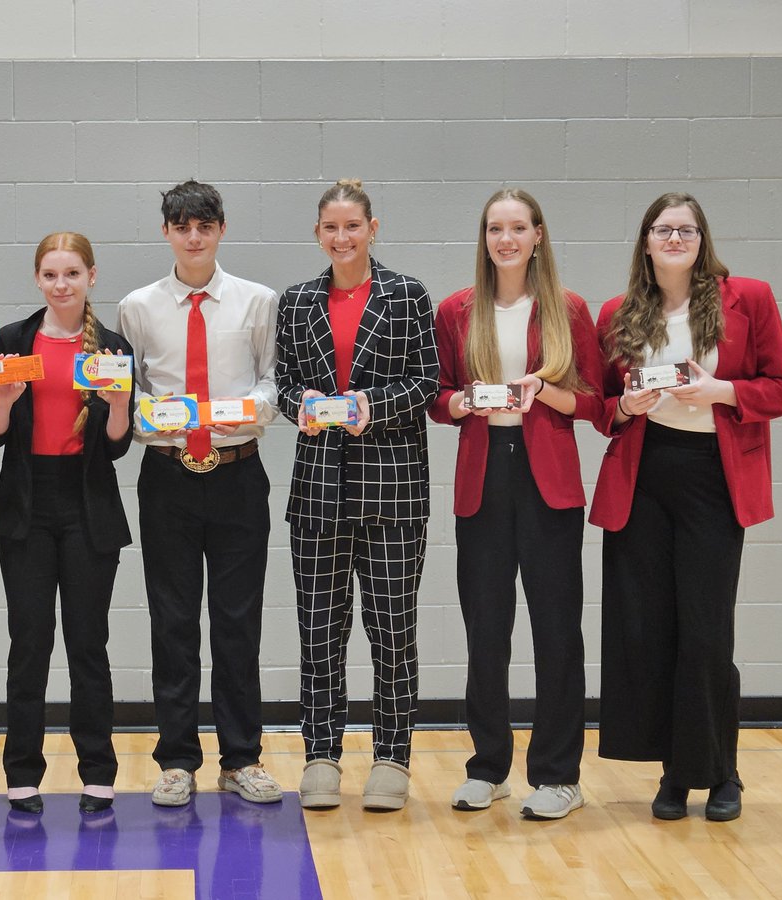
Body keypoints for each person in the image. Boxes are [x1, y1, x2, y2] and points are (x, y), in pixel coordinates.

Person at [592, 192, 782, 822]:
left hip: (713, 478)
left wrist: (721, 390)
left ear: (702, 238)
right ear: (646, 240)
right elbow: (605, 407)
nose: (675, 239)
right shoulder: (619, 312)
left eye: (686, 230)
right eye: (664, 230)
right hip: (644, 475)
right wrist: (625, 407)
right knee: (651, 629)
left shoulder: (750, 298)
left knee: (707, 632)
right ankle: (674, 774)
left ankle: (723, 772)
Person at [429, 189, 604, 820]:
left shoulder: (569, 309)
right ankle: (489, 768)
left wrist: (548, 393)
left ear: (537, 236)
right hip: (483, 476)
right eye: (494, 229)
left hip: (548, 478)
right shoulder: (457, 309)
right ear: (484, 238)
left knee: (558, 631)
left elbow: (595, 402)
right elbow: (437, 397)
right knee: (486, 630)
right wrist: (462, 402)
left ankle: (559, 775)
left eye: (517, 228)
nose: (505, 239)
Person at [118, 180, 283, 807]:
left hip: (239, 471)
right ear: (166, 232)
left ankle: (242, 758)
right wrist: (150, 418)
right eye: (182, 226)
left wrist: (245, 409)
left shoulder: (256, 302)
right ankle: (178, 759)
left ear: (221, 231)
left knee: (239, 622)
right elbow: (127, 394)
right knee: (173, 620)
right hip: (167, 477)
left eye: (204, 226)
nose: (193, 237)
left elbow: (273, 381)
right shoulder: (138, 306)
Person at [276, 178, 438, 811]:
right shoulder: (295, 303)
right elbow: (284, 385)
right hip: (317, 491)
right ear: (317, 233)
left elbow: (427, 381)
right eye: (329, 228)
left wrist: (375, 405)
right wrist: (302, 405)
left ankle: (393, 756)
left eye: (351, 226)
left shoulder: (406, 295)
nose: (340, 238)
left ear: (374, 228)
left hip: (393, 491)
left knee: (392, 630)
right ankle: (321, 753)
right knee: (319, 631)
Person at [0, 232, 134, 815]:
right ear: (38, 279)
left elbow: (117, 449)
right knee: (29, 643)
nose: (61, 284)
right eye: (50, 274)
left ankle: (98, 771)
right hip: (26, 506)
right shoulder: (11, 341)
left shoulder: (112, 348)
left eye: (72, 273)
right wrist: (1, 400)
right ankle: (23, 772)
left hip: (88, 505)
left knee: (88, 644)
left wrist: (118, 408)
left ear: (92, 277)